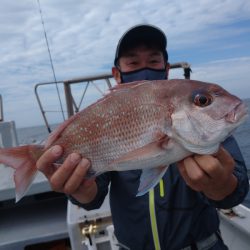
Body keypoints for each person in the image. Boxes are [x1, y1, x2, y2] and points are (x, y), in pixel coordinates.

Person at [37, 24, 249, 250]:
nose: (144, 68)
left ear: (166, 69)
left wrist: (224, 186)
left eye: (153, 61)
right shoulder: (108, 117)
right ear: (116, 73)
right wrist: (82, 193)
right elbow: (93, 193)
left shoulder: (212, 132)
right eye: (133, 63)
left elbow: (237, 186)